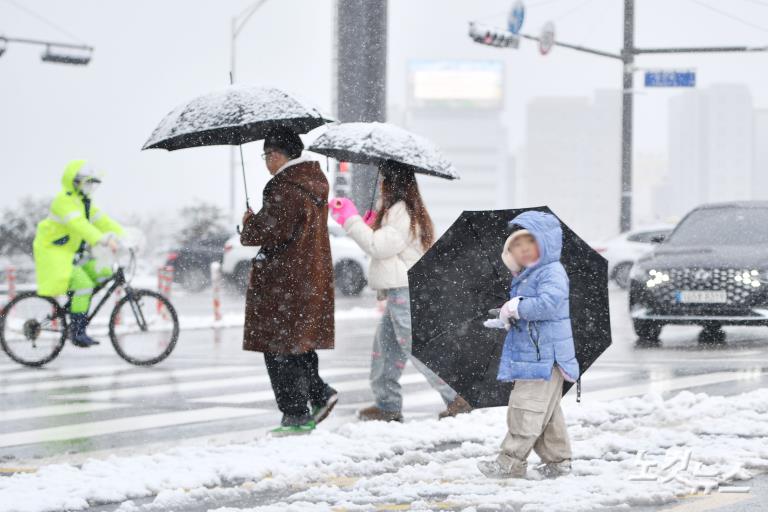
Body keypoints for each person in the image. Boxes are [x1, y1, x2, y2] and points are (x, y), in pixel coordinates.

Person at [329, 162, 472, 422]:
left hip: (404, 291)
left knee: (417, 348)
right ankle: (387, 404)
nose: (381, 184)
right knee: (384, 350)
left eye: (384, 179)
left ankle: (456, 398)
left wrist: (351, 220)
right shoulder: (400, 212)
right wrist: (371, 225)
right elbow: (384, 244)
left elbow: (378, 248)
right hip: (401, 289)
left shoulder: (401, 212)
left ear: (393, 184)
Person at [240, 126, 337, 436]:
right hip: (307, 278)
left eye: (269, 155)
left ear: (280, 155)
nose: (267, 161)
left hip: (283, 281)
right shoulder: (313, 183)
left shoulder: (284, 187)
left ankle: (296, 414)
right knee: (298, 345)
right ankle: (320, 394)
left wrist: (249, 226)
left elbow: (270, 232)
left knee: (279, 348)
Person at [477, 210, 580, 479]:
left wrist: (518, 306)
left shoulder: (551, 271)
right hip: (537, 352)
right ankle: (558, 461)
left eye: (529, 243)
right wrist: (506, 316)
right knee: (545, 411)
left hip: (546, 354)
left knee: (526, 407)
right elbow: (528, 311)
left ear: (544, 243)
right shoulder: (527, 275)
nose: (523, 250)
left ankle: (510, 461)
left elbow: (548, 304)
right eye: (516, 247)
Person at [33, 160, 123, 348]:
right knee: (84, 284)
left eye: (93, 183)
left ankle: (75, 309)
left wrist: (127, 236)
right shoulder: (63, 201)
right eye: (88, 182)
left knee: (104, 273)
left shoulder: (85, 203)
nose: (91, 187)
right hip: (54, 253)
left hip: (72, 254)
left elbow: (104, 222)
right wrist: (106, 241)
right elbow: (80, 226)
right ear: (76, 182)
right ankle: (77, 330)